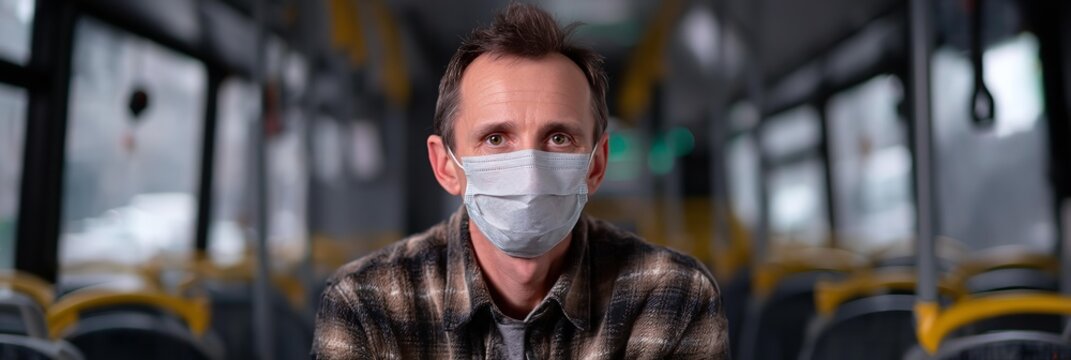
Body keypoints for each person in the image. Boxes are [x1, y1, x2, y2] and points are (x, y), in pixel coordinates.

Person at [312, 3, 728, 359]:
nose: (529, 170)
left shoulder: (673, 296)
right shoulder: (367, 306)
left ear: (596, 165)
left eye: (558, 137)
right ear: (445, 166)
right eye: (496, 138)